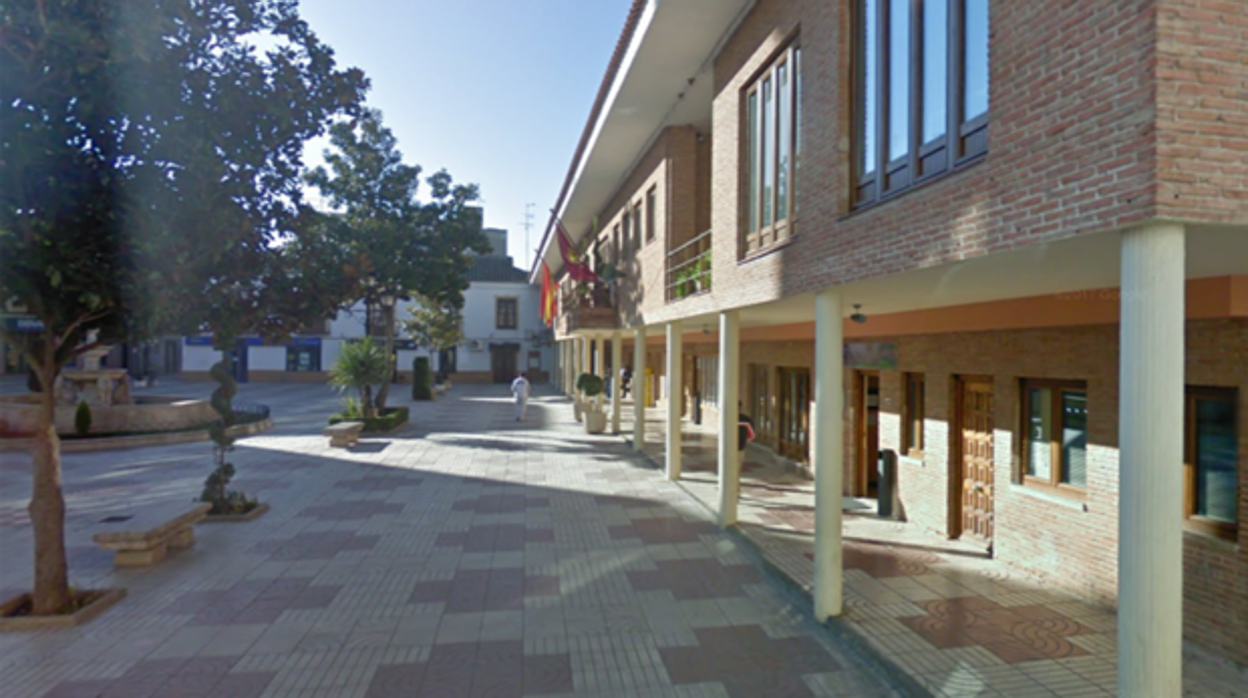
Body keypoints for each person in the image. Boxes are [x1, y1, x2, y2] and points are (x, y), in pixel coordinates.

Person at [738, 402, 755, 470]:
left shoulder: (746, 419)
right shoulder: (726, 418)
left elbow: (751, 434)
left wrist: (744, 440)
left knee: (738, 466)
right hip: (729, 448)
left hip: (740, 447)